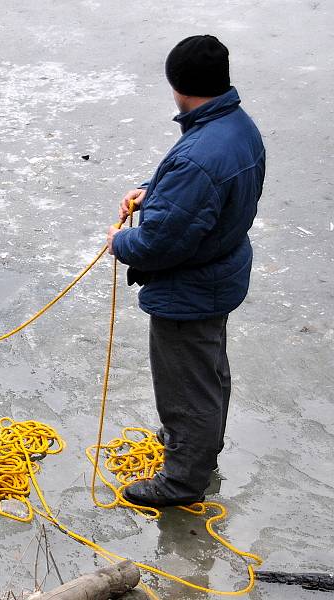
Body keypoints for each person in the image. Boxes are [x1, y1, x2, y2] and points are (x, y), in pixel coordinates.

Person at [106, 35, 266, 508]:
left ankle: (182, 479)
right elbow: (194, 187)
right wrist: (149, 190)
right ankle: (198, 444)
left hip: (191, 287)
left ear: (178, 85)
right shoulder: (238, 125)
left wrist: (121, 243)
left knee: (186, 389)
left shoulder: (200, 155)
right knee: (207, 371)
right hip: (219, 272)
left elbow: (160, 242)